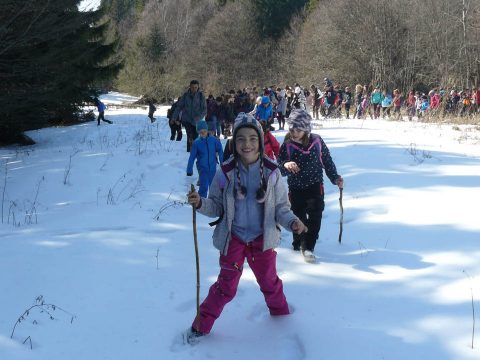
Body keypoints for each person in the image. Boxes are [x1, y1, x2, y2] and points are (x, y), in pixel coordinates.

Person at [185, 113, 306, 343]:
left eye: (252, 138)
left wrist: (292, 222)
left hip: (263, 239)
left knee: (269, 282)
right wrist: (200, 203)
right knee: (226, 287)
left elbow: (281, 207)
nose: (247, 144)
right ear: (233, 142)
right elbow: (216, 206)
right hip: (234, 239)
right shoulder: (225, 173)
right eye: (241, 139)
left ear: (260, 141)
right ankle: (201, 325)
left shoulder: (272, 173)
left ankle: (282, 320)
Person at [277, 109, 343, 262]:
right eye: (291, 129)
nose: (294, 132)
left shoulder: (317, 141)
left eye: (298, 129)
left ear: (306, 128)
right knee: (297, 216)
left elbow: (327, 161)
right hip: (296, 188)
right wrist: (286, 164)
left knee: (315, 215)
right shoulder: (287, 145)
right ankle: (298, 241)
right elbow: (279, 167)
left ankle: (308, 247)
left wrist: (335, 178)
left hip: (315, 186)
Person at [186, 120, 223, 198]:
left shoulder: (213, 140)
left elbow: (220, 149)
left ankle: (214, 203)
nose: (203, 133)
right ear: (198, 132)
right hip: (202, 169)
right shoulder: (197, 143)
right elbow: (192, 157)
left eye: (204, 131)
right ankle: (201, 203)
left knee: (213, 187)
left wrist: (222, 162)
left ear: (207, 130)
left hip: (213, 168)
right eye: (200, 132)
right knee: (204, 187)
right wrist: (189, 169)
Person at [173, 80, 207, 152]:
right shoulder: (185, 96)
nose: (194, 89)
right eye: (192, 87)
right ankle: (189, 152)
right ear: (190, 87)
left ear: (198, 87)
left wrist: (199, 118)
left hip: (197, 120)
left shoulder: (201, 96)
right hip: (187, 119)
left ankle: (194, 150)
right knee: (189, 134)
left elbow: (204, 110)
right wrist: (174, 117)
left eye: (195, 87)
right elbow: (179, 107)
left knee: (195, 136)